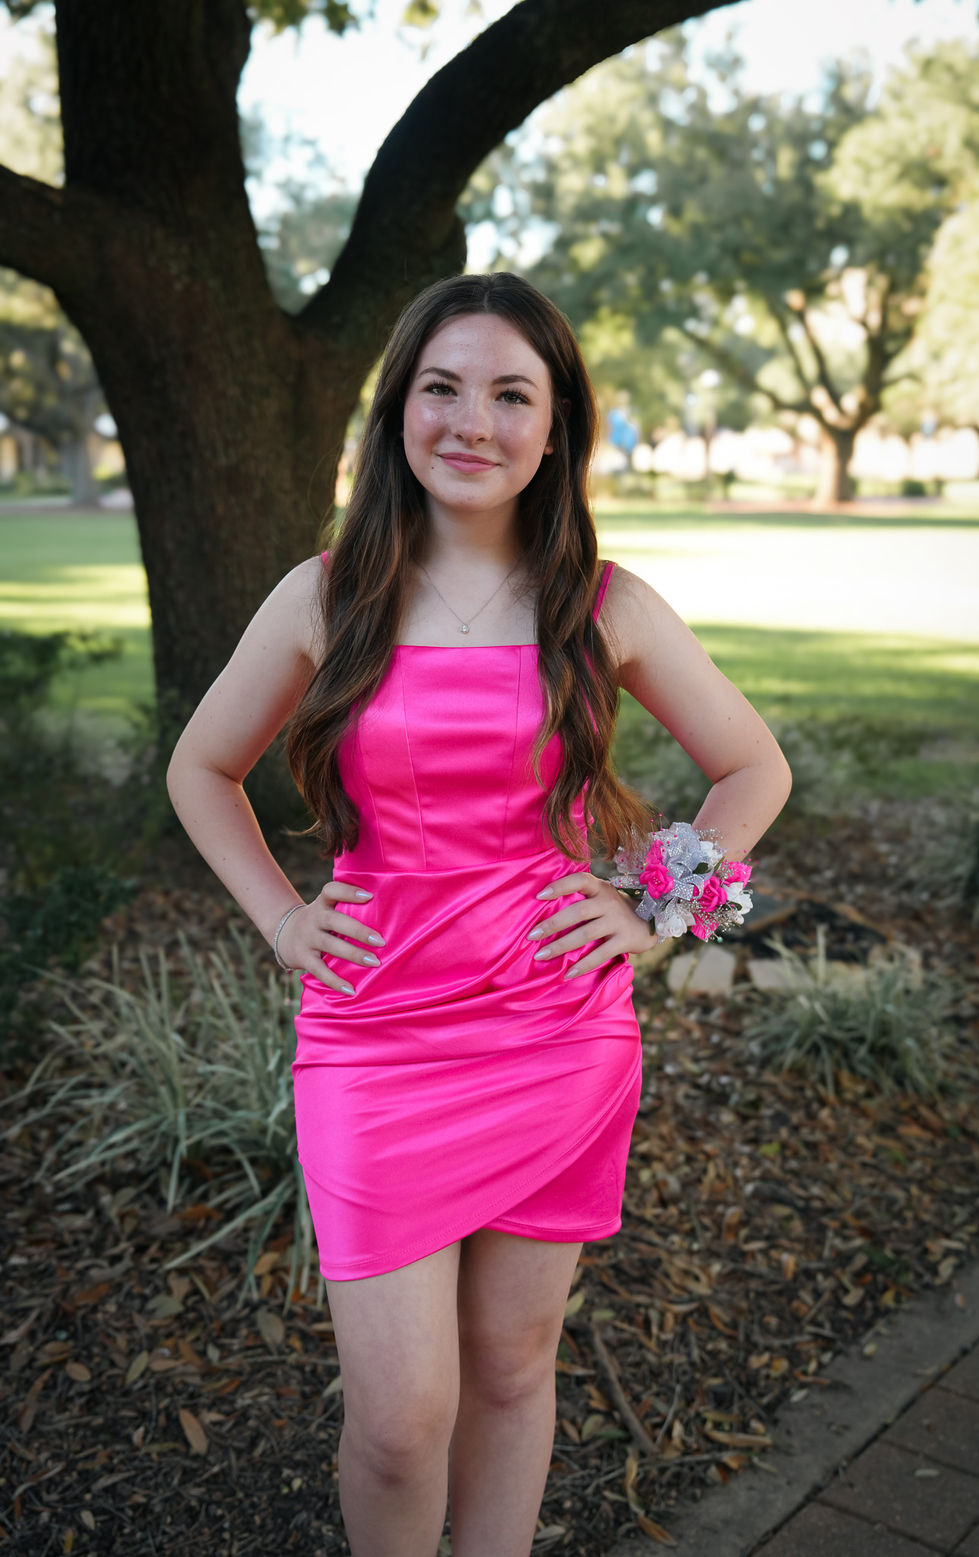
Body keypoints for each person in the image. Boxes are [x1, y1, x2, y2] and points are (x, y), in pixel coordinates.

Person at [166, 271, 791, 1557]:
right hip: (373, 1035)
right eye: (441, 387)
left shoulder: (603, 604)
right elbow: (200, 769)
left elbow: (753, 768)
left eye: (512, 395)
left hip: (556, 1033)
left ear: (554, 429)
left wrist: (656, 910)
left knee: (509, 1370)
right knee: (401, 1421)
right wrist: (284, 923)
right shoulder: (325, 595)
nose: (472, 422)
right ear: (398, 407)